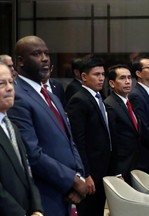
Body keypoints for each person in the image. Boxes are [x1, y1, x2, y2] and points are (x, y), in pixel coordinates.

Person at [8, 35, 87, 216]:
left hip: (67, 194)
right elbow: (31, 154)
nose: (44, 59)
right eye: (37, 54)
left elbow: (69, 141)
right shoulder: (18, 97)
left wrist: (79, 175)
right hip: (45, 194)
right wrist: (71, 181)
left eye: (46, 54)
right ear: (20, 62)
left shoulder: (52, 96)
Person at [65, 55, 112, 216]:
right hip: (91, 171)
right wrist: (86, 174)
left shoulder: (100, 97)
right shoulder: (79, 100)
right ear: (84, 77)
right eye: (96, 74)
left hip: (103, 168)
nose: (101, 78)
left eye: (103, 74)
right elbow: (78, 140)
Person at [0, 63, 43, 216]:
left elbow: (27, 174)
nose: (10, 88)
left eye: (11, 82)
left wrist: (37, 209)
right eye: (1, 84)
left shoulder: (12, 127)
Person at [104, 64, 140, 185]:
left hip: (134, 164)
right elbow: (112, 142)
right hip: (121, 167)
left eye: (129, 78)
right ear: (112, 83)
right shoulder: (110, 105)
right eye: (122, 78)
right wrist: (117, 172)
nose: (127, 81)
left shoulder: (128, 102)